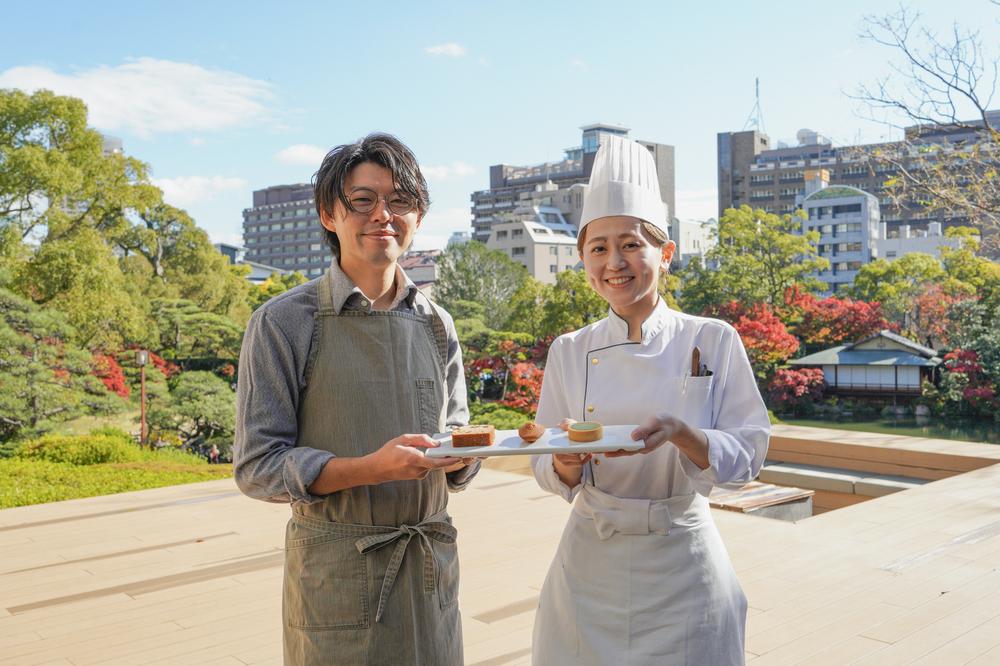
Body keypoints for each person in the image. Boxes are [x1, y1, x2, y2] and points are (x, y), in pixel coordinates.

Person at [233, 133, 479, 666]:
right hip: (337, 575)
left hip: (429, 569)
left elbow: (458, 437)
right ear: (329, 214)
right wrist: (369, 468)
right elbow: (257, 467)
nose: (383, 215)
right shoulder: (282, 322)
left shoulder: (437, 323)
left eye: (400, 201)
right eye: (362, 200)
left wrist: (464, 457)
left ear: (419, 215)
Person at [529, 136, 769, 665]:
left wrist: (687, 436)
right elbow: (544, 460)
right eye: (598, 247)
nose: (615, 262)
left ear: (665, 254)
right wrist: (565, 462)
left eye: (631, 244)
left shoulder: (713, 338)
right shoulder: (568, 351)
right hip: (590, 561)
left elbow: (749, 452)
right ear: (582, 259)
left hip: (684, 560)